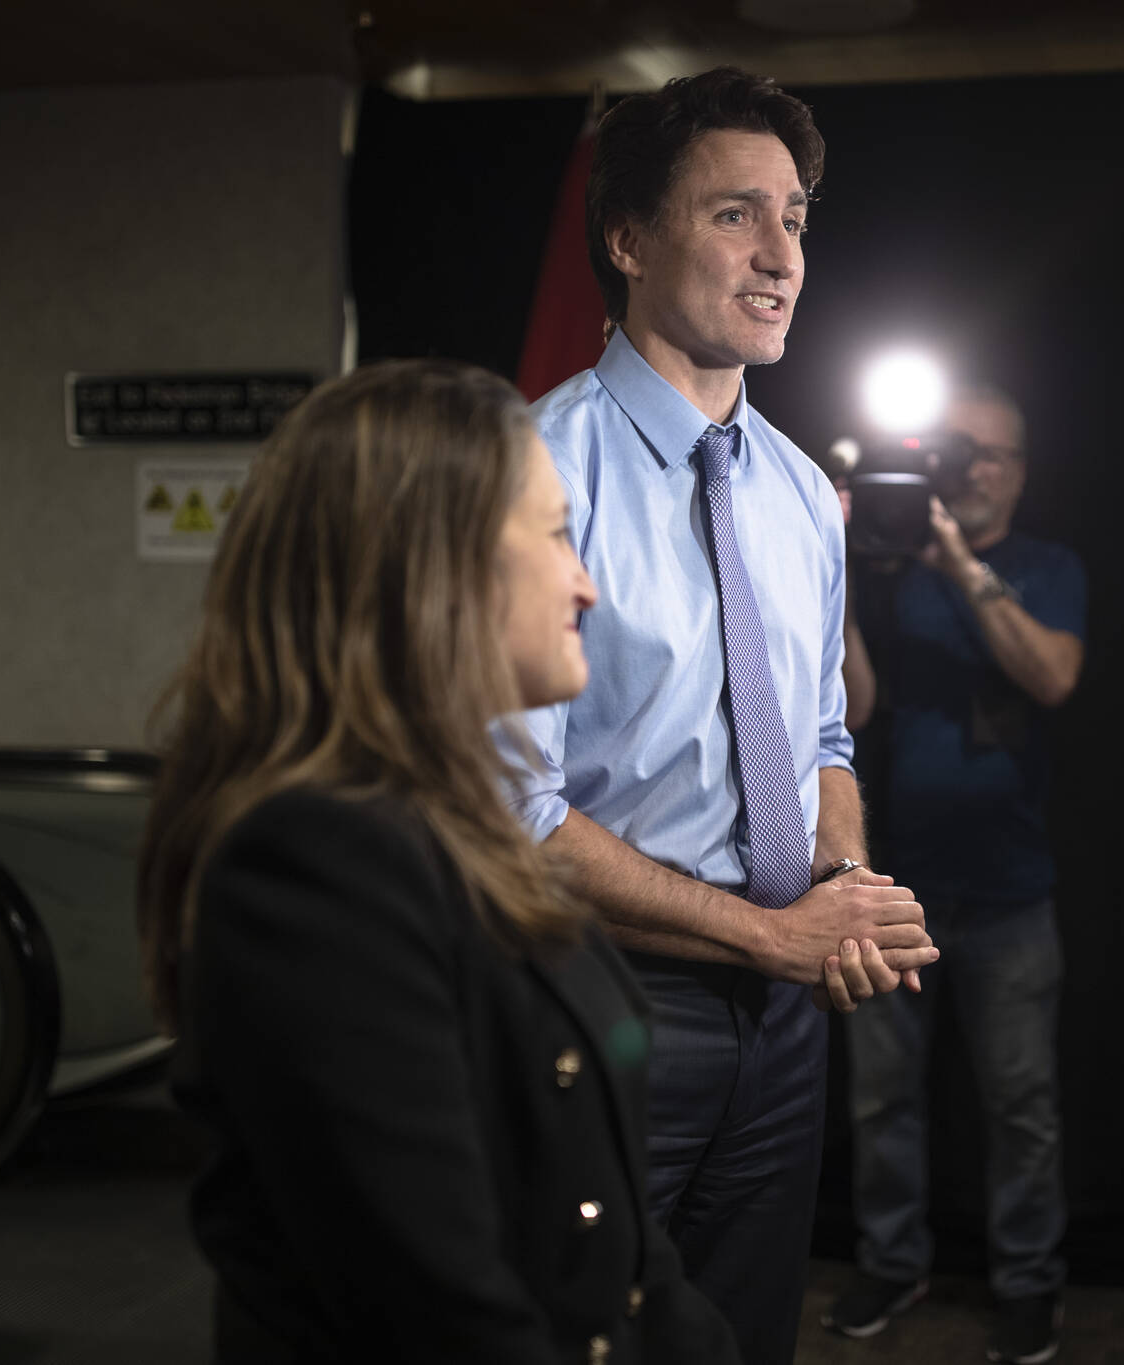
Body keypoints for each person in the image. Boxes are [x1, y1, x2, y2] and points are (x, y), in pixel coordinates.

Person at [136, 360, 741, 1363]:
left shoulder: (460, 820)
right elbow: (440, 1310)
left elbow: (618, 1248)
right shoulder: (312, 865)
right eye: (554, 534)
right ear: (434, 563)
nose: (585, 579)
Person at [508, 67, 937, 1365]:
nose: (780, 257)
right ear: (630, 239)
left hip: (784, 1018)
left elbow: (818, 741)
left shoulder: (805, 494)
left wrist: (846, 885)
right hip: (605, 1001)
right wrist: (770, 933)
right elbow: (513, 814)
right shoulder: (529, 472)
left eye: (796, 219)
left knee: (743, 1343)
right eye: (736, 215)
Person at [823, 385, 1085, 1365]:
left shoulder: (1042, 566)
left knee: (1019, 1104)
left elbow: (1051, 675)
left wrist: (956, 562)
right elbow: (848, 704)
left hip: (1010, 892)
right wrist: (836, 567)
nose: (970, 467)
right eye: (955, 448)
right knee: (880, 1099)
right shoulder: (886, 571)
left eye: (990, 454)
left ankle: (1028, 1284)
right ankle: (891, 1264)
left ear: (1017, 470)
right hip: (892, 883)